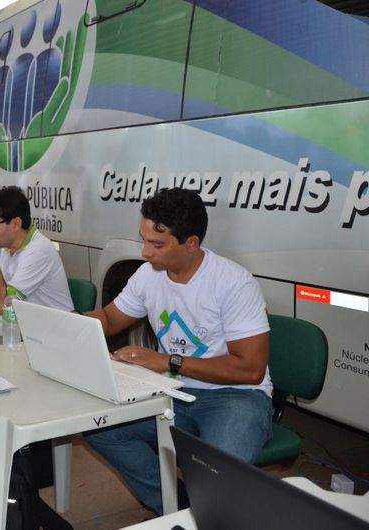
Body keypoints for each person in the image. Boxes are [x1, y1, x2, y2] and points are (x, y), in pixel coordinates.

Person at [84, 188, 273, 515]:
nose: (145, 253)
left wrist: (166, 361)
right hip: (174, 392)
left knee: (216, 472)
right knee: (102, 429)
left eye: (157, 244)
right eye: (143, 240)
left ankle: (206, 510)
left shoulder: (233, 282)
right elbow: (111, 319)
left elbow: (250, 369)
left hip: (236, 397)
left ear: (191, 243)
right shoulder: (148, 275)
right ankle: (179, 507)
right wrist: (64, 322)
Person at [0, 187, 73, 313]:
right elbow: (9, 292)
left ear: (15, 224)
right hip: (29, 323)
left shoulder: (38, 250)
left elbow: (5, 308)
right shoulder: (7, 246)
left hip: (54, 328)